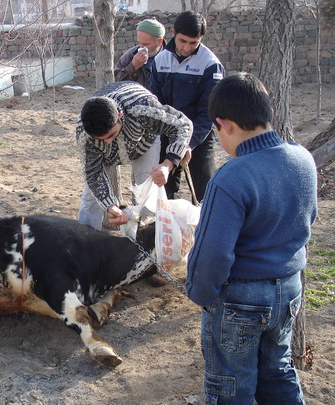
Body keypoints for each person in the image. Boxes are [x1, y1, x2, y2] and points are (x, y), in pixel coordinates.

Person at [186, 73, 317, 404]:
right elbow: (308, 219)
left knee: (230, 386)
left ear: (224, 125)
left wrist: (200, 293)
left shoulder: (231, 177)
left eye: (217, 133)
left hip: (239, 299)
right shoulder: (303, 158)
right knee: (279, 371)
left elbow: (213, 254)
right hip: (288, 289)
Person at [76, 81, 192, 231]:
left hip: (144, 142)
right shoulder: (84, 134)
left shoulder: (142, 108)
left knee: (147, 188)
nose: (109, 142)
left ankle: (145, 238)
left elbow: (182, 124)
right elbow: (93, 174)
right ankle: (84, 241)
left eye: (111, 135)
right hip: (104, 156)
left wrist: (168, 163)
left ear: (120, 115)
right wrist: (111, 206)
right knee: (91, 197)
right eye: (102, 139)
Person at [150, 11, 225, 201]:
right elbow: (155, 104)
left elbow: (208, 113)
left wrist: (188, 144)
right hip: (167, 133)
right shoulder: (160, 60)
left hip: (199, 138)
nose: (187, 48)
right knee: (164, 192)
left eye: (194, 43)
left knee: (204, 193)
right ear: (173, 33)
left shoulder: (211, 65)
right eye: (182, 41)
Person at [114, 18, 166, 88]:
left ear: (159, 41)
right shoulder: (130, 55)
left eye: (146, 44)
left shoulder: (170, 58)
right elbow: (115, 83)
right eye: (140, 43)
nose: (142, 47)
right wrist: (133, 66)